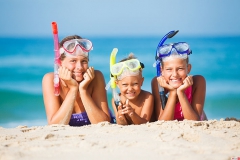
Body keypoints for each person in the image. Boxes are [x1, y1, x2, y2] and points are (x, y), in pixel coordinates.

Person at [42, 35, 114, 126]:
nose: (79, 67)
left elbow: (103, 123)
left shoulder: (96, 77)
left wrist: (83, 90)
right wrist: (73, 89)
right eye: (73, 61)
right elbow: (55, 125)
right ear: (59, 63)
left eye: (84, 61)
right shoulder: (51, 80)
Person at [151, 32, 207, 121]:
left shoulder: (198, 81)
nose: (175, 74)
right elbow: (163, 122)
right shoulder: (158, 83)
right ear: (161, 70)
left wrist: (181, 93)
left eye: (180, 68)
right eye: (169, 69)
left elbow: (194, 122)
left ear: (188, 68)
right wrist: (173, 93)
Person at [111, 53, 154, 125]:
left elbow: (145, 123)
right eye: (125, 85)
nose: (130, 89)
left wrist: (132, 114)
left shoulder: (147, 97)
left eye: (135, 84)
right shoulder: (116, 100)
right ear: (117, 84)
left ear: (141, 82)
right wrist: (121, 117)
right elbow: (122, 125)